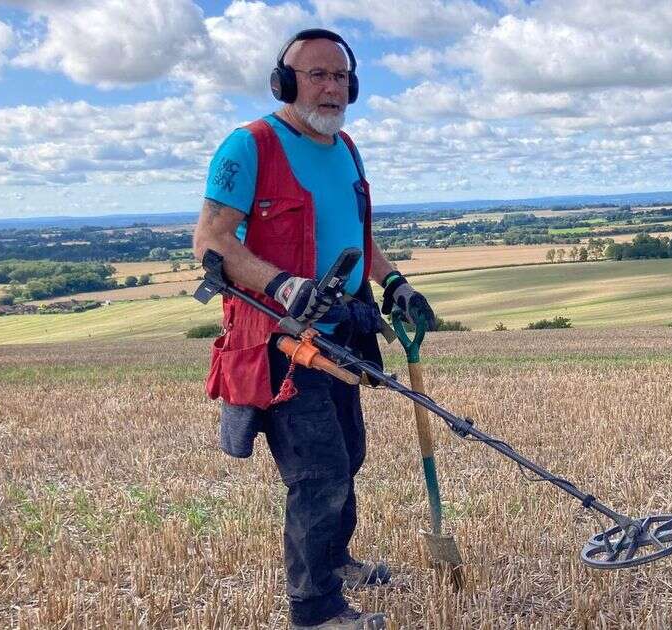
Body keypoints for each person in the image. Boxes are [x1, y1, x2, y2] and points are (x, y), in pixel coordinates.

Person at [192, 28, 435, 630]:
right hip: (281, 341)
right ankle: (315, 610)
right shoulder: (249, 147)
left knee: (348, 456)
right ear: (285, 82)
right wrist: (280, 285)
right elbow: (210, 241)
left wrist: (394, 282)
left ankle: (335, 559)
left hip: (343, 334)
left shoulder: (346, 147)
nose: (331, 88)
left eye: (340, 77)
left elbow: (355, 237)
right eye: (316, 75)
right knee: (318, 473)